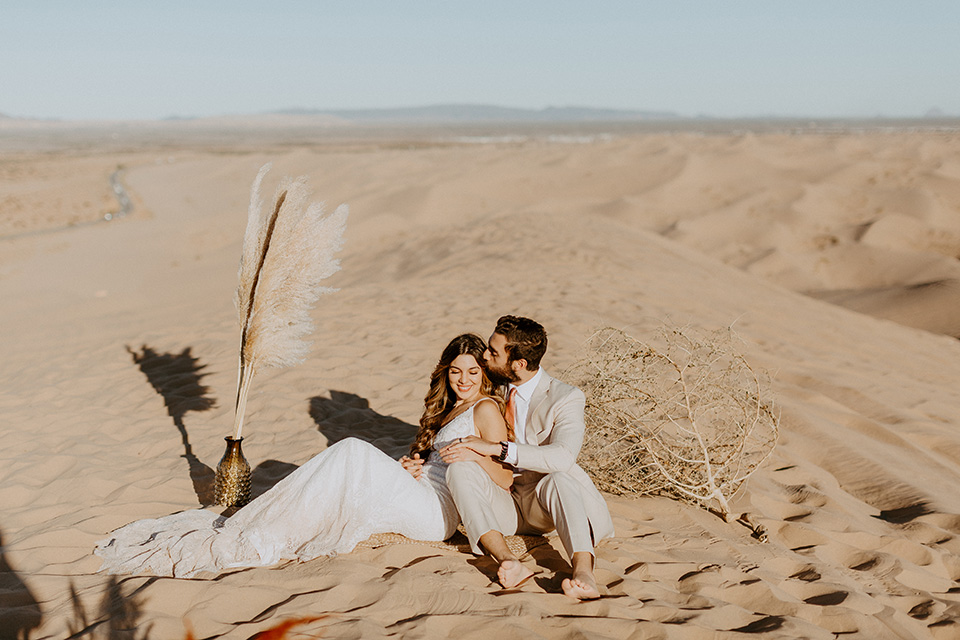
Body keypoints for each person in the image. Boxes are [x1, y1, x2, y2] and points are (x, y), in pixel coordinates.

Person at [94, 334, 511, 578]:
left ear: (484, 373)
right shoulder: (447, 408)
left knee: (351, 451)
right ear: (446, 372)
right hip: (423, 490)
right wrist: (415, 465)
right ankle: (267, 520)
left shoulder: (486, 408)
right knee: (358, 458)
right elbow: (439, 458)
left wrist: (472, 456)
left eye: (473, 372)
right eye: (456, 371)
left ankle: (265, 530)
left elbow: (504, 477)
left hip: (439, 513)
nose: (464, 380)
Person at [441, 315, 614, 600]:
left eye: (494, 353)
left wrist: (497, 449)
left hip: (543, 503)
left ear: (518, 364)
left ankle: (583, 571)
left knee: (560, 478)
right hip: (503, 499)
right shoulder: (493, 384)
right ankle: (508, 560)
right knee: (460, 468)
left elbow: (562, 457)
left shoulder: (566, 397)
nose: (485, 355)